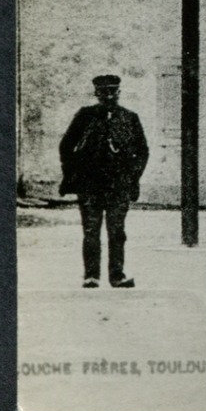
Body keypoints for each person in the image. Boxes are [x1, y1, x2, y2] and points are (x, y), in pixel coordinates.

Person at [58, 74, 149, 289]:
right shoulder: (85, 117)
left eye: (113, 92)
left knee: (117, 231)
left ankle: (117, 276)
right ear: (96, 94)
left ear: (119, 92)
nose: (109, 96)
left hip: (119, 185)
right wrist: (74, 172)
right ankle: (91, 276)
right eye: (104, 92)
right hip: (90, 184)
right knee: (91, 231)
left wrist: (132, 176)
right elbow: (66, 146)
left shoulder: (130, 118)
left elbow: (142, 151)